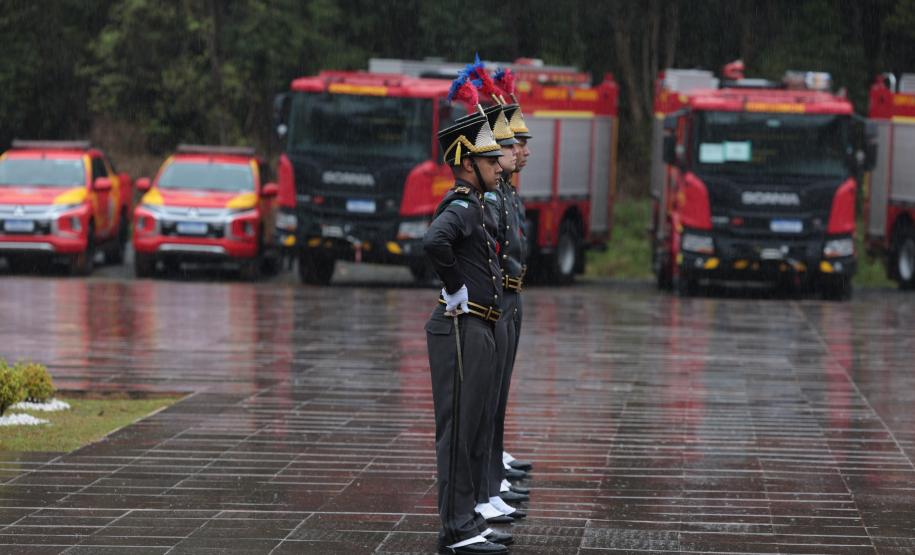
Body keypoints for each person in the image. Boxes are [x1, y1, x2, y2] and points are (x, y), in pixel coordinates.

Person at [424, 101, 512, 554]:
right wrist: (455, 285)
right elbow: (434, 240)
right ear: (466, 163)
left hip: (477, 327)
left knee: (473, 428)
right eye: (489, 160)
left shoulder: (474, 204)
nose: (499, 166)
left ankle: (468, 517)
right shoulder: (461, 206)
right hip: (460, 328)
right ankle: (455, 529)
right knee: (458, 432)